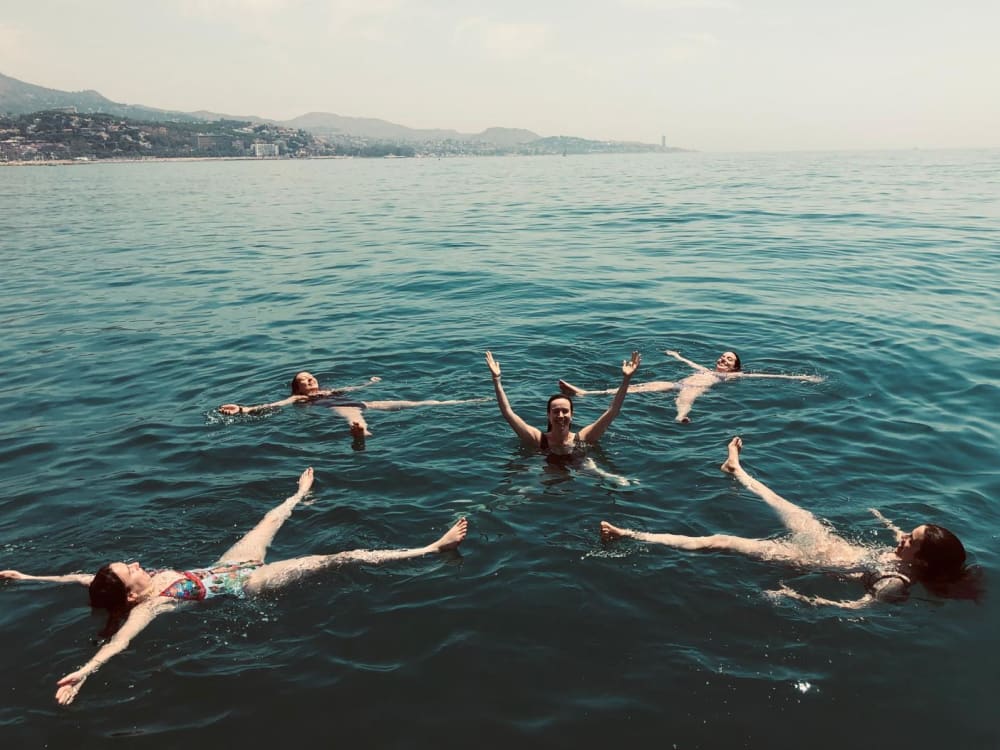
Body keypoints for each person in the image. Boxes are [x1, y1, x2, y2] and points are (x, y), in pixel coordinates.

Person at [0, 468, 468, 705]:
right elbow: (121, 643)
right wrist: (87, 670)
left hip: (228, 564)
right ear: (131, 596)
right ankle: (430, 549)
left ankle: (300, 493)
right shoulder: (149, 608)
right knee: (335, 557)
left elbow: (79, 579)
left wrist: (29, 578)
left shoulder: (132, 589)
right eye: (130, 568)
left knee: (270, 517)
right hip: (248, 583)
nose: (136, 561)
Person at [600, 437, 976, 608]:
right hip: (826, 539)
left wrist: (799, 596)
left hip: (807, 557)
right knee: (779, 500)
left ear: (922, 561)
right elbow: (897, 542)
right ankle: (737, 469)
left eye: (910, 539)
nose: (902, 537)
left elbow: (858, 608)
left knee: (719, 540)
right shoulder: (906, 556)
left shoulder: (896, 583)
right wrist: (886, 520)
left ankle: (631, 534)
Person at [559, 349, 822, 423]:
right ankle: (587, 393)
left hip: (692, 388)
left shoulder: (732, 377)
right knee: (639, 387)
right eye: (722, 356)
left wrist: (800, 378)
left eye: (729, 359)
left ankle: (681, 417)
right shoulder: (706, 369)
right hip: (676, 382)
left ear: (734, 368)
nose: (723, 359)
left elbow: (764, 377)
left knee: (686, 399)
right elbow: (690, 363)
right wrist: (676, 356)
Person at [219, 370, 484, 438]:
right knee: (352, 416)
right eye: (303, 379)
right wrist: (244, 409)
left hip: (360, 401)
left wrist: (370, 383)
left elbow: (351, 389)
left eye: (311, 376)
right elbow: (275, 405)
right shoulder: (300, 398)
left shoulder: (329, 389)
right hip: (337, 407)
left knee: (415, 403)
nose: (310, 380)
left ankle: (459, 401)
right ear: (298, 387)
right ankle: (361, 434)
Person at [485, 350, 640, 460]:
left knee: (604, 476)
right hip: (546, 474)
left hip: (579, 471)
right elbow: (508, 413)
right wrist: (496, 379)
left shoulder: (584, 438)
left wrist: (626, 379)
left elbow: (612, 412)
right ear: (548, 415)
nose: (560, 415)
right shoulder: (537, 439)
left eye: (565, 411)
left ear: (572, 415)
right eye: (556, 411)